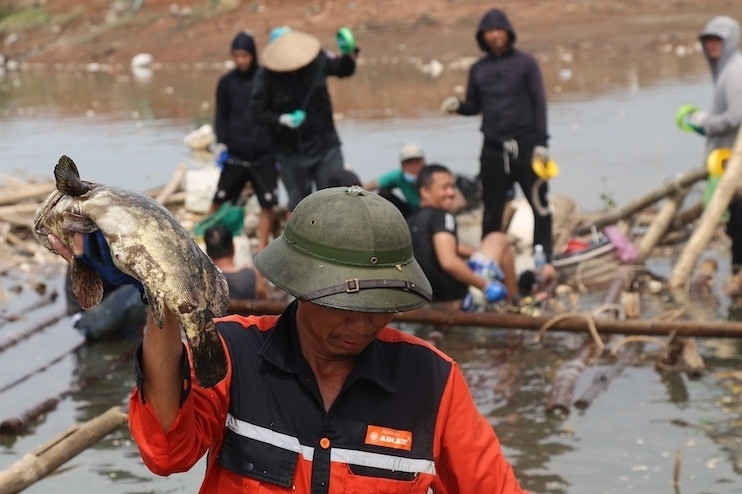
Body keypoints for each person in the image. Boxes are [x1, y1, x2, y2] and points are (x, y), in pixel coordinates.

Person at [46, 186, 528, 493]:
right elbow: (166, 453)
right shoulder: (234, 353)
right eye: (343, 305)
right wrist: (162, 299)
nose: (362, 325)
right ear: (298, 285)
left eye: (379, 307)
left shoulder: (432, 382)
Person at [441, 7, 553, 259]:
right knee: (491, 208)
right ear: (482, 36)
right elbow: (474, 106)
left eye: (499, 29)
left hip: (527, 146)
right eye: (489, 31)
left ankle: (543, 257)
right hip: (492, 148)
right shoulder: (479, 69)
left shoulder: (526, 64)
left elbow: (539, 104)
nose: (494, 35)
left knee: (539, 204)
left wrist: (542, 143)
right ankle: (488, 261)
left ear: (509, 32)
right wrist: (459, 106)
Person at [408, 164, 556, 312]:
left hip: (428, 303)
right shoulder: (443, 216)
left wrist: (476, 254)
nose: (451, 193)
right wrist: (485, 285)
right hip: (460, 302)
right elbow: (448, 262)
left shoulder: (413, 220)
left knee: (487, 248)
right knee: (498, 239)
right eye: (445, 188)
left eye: (453, 187)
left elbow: (444, 246)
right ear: (425, 192)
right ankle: (514, 303)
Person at [251, 27, 359, 211]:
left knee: (334, 199)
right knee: (300, 206)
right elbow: (257, 112)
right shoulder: (265, 75)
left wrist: (349, 51)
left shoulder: (317, 60)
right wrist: (281, 119)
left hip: (325, 146)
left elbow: (343, 70)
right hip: (289, 151)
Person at [678, 16, 742, 273]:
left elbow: (736, 116)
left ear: (730, 42)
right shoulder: (725, 71)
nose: (712, 46)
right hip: (727, 162)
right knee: (735, 223)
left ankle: (738, 270)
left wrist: (706, 122)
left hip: (736, 167)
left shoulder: (734, 71)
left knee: (738, 222)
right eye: (708, 41)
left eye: (718, 41)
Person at [209, 31, 278, 252]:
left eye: (245, 55)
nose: (241, 60)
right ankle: (208, 240)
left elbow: (274, 113)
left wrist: (278, 151)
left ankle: (262, 247)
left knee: (267, 204)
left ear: (253, 55)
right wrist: (222, 144)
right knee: (219, 198)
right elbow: (221, 115)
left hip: (263, 154)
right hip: (236, 155)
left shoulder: (266, 79)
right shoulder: (226, 82)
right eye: (236, 55)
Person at [203, 224, 267, 301]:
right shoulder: (253, 275)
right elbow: (266, 301)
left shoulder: (203, 281)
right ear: (233, 247)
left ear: (207, 252)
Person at [363, 142, 426, 217]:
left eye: (417, 162)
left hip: (430, 210)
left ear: (424, 163)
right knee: (384, 192)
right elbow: (372, 184)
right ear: (402, 165)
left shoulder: (432, 176)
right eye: (409, 163)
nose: (414, 166)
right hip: (411, 211)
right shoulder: (399, 176)